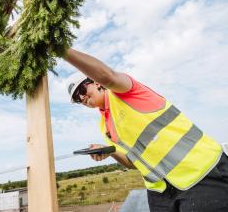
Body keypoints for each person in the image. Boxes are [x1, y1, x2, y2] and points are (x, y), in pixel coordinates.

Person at [64, 48, 228, 212]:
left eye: (82, 91)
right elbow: (132, 163)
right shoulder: (105, 126)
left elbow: (108, 76)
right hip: (161, 192)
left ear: (96, 82)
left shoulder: (124, 91)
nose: (82, 98)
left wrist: (60, 49)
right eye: (77, 99)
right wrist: (110, 152)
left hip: (200, 172)